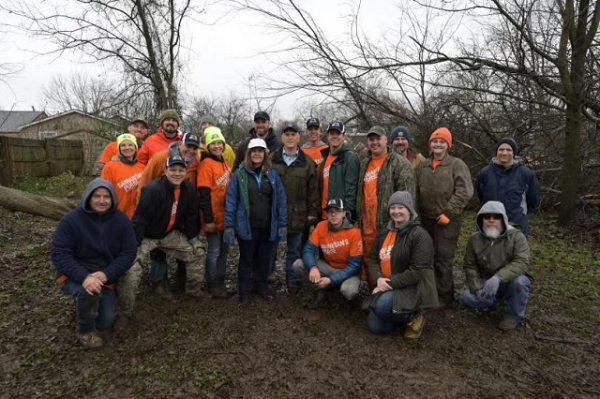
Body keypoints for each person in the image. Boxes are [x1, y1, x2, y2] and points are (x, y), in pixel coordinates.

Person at [51, 178, 137, 348]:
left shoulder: (121, 220)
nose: (102, 200)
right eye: (96, 196)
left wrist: (107, 274)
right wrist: (85, 278)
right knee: (88, 291)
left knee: (105, 321)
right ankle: (85, 330)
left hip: (104, 273)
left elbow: (129, 252)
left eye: (106, 196)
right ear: (88, 197)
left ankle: (88, 307)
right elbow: (60, 254)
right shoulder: (71, 220)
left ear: (112, 199)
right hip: (75, 274)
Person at [122, 155, 204, 319]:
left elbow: (190, 215)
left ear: (185, 172)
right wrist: (135, 246)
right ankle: (124, 311)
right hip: (147, 236)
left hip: (168, 234)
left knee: (198, 252)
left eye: (181, 170)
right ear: (165, 171)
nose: (177, 173)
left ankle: (193, 290)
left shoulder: (188, 189)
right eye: (172, 170)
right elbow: (140, 220)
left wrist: (193, 238)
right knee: (130, 268)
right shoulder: (153, 190)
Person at [415, 127, 473, 308]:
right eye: (435, 141)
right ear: (430, 144)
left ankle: (445, 297)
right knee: (426, 256)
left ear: (448, 145)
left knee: (443, 258)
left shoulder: (457, 165)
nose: (438, 144)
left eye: (442, 142)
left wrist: (448, 213)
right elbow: (416, 191)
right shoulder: (422, 166)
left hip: (448, 221)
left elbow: (465, 191)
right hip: (425, 219)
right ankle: (429, 292)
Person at [367, 191, 438, 338]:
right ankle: (398, 316)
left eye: (401, 207)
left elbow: (417, 272)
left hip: (412, 287)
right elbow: (373, 260)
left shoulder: (419, 235)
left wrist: (387, 284)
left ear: (409, 209)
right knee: (378, 328)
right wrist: (379, 279)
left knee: (381, 306)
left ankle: (415, 316)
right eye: (393, 207)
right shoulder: (385, 231)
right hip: (387, 284)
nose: (396, 211)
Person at [224, 138, 287, 303]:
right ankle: (244, 292)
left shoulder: (271, 174)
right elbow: (231, 200)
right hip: (247, 226)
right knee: (246, 259)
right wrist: (229, 225)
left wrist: (282, 223)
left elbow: (280, 199)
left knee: (264, 259)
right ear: (249, 154)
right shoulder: (240, 174)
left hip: (267, 226)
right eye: (254, 151)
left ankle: (262, 288)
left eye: (260, 151)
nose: (257, 154)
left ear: (265, 154)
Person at [356, 125, 415, 288]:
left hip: (389, 225)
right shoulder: (364, 164)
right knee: (369, 260)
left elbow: (408, 197)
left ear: (386, 140)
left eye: (378, 138)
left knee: (391, 261)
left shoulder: (399, 163)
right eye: (371, 139)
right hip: (367, 223)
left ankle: (392, 299)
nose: (374, 142)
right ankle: (373, 293)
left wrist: (401, 225)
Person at [461, 201, 532, 330]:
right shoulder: (474, 239)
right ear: (481, 220)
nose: (491, 220)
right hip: (485, 282)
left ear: (503, 219)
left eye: (496, 217)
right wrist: (477, 289)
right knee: (467, 297)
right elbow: (470, 265)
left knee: (520, 283)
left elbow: (522, 262)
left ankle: (514, 316)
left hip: (509, 281)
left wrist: (498, 278)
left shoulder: (517, 237)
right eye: (487, 217)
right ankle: (492, 302)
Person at [270, 121, 319, 293]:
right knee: (271, 249)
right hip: (275, 214)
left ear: (299, 137)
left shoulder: (307, 162)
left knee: (294, 251)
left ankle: (292, 280)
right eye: (287, 134)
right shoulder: (271, 159)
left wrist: (312, 214)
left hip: (299, 214)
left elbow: (313, 191)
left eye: (293, 134)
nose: (290, 138)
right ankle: (268, 276)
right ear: (281, 137)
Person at [293, 198, 363, 307]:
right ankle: (320, 290)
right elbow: (308, 249)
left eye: (337, 211)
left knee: (349, 291)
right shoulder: (321, 226)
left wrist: (331, 280)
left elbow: (355, 265)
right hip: (329, 267)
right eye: (330, 212)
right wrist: (313, 267)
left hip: (348, 271)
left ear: (344, 213)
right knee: (298, 265)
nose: (333, 215)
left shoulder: (354, 233)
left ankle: (340, 298)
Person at [475, 137, 540, 237]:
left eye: (508, 150)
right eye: (501, 149)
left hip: (516, 225)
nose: (504, 153)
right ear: (496, 152)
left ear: (514, 153)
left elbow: (533, 198)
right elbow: (480, 195)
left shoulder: (526, 174)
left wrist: (520, 213)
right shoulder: (485, 173)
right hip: (489, 225)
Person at [197, 127, 232, 298]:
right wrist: (208, 220)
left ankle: (220, 280)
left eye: (220, 143)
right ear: (208, 146)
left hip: (226, 217)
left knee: (224, 252)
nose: (217, 146)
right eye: (213, 143)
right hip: (213, 217)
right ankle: (212, 283)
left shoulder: (224, 162)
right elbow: (203, 194)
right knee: (214, 251)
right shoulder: (206, 164)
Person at [318, 121, 360, 222]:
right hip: (324, 215)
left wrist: (348, 215)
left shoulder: (350, 158)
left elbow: (352, 189)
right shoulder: (325, 157)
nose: (335, 136)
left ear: (344, 136)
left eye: (338, 133)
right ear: (327, 136)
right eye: (332, 133)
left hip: (340, 218)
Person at [100, 133, 145, 219]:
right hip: (116, 214)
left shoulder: (142, 167)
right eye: (123, 145)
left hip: (137, 215)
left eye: (130, 145)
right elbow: (103, 191)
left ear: (135, 148)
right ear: (119, 149)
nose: (127, 148)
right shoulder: (110, 167)